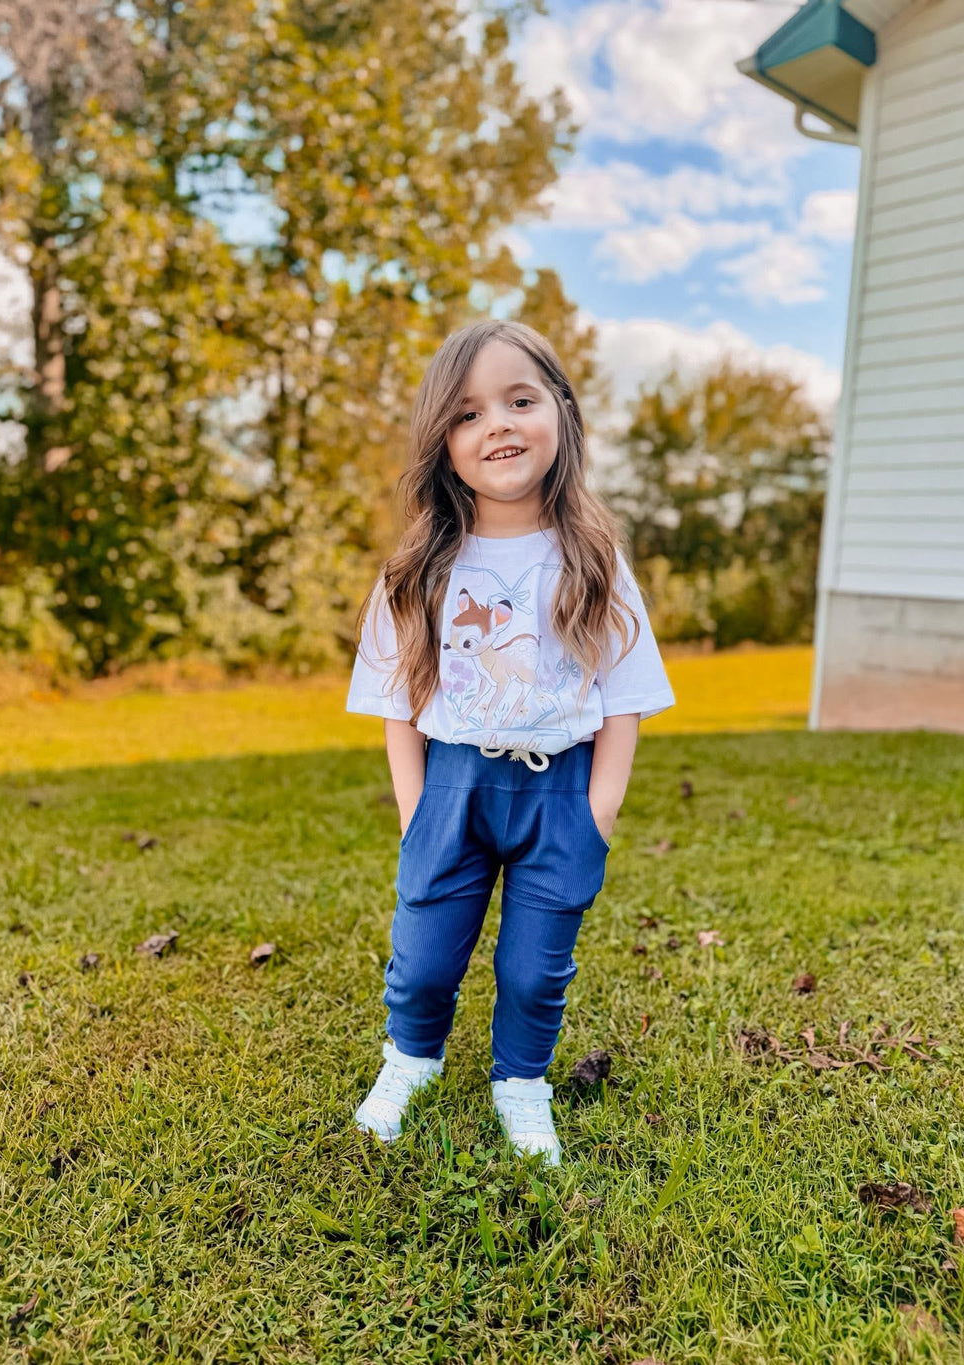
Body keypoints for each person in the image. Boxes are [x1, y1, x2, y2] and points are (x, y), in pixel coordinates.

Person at [345, 319, 675, 1167]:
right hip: (451, 787)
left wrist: (596, 817)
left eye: (519, 400)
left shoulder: (593, 556)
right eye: (466, 414)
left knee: (535, 970)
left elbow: (624, 702)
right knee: (421, 960)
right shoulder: (419, 565)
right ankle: (409, 1062)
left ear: (560, 412)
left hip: (559, 792)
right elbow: (396, 701)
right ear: (441, 444)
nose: (496, 424)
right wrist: (419, 810)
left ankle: (521, 1082)